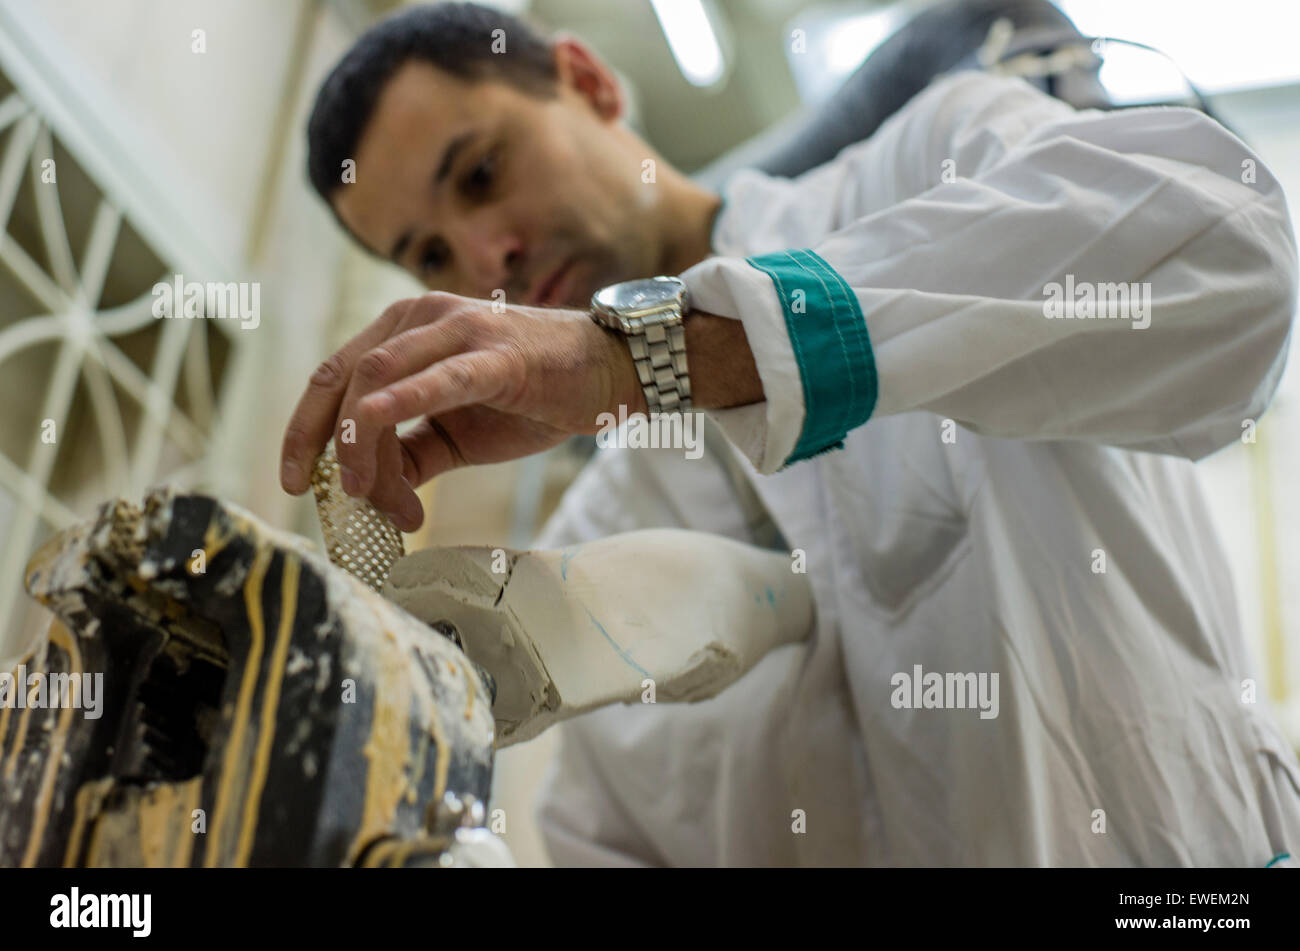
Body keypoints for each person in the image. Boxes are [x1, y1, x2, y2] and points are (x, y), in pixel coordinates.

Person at [279, 1, 1300, 865]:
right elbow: (605, 843)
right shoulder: (576, 564)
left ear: (587, 83)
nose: (485, 254)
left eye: (481, 173)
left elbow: (1226, 249)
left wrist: (646, 357)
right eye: (431, 255)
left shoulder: (925, 166)